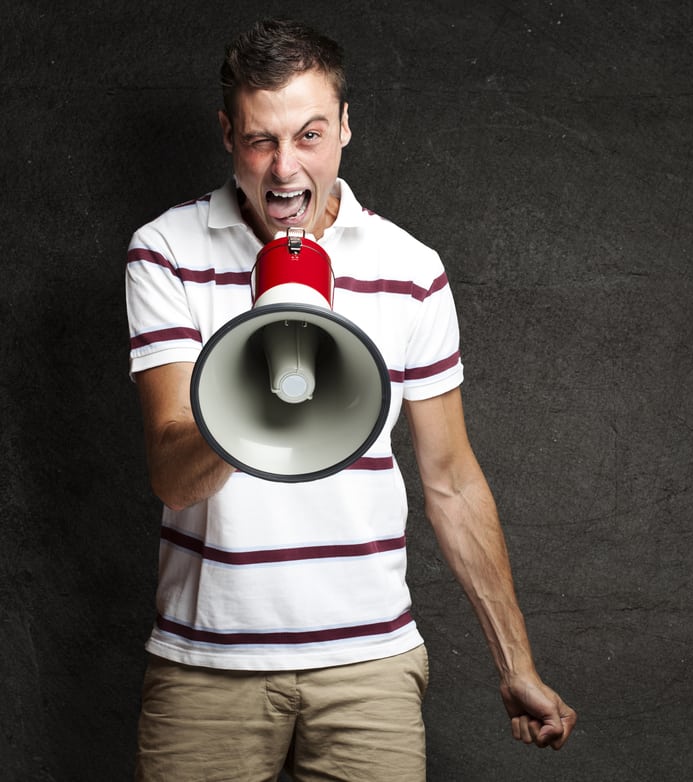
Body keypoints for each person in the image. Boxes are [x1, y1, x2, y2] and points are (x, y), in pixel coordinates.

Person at [124, 16, 575, 781]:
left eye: (308, 136)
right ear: (228, 134)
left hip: (369, 665)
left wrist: (515, 662)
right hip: (208, 667)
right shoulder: (168, 250)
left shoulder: (410, 267)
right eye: (260, 140)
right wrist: (257, 367)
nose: (284, 169)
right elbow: (173, 475)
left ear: (344, 128)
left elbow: (452, 480)